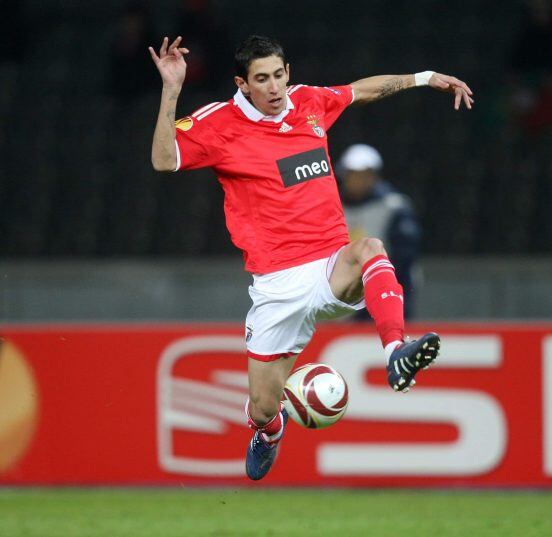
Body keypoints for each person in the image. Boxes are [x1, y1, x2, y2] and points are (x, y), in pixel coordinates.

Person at [148, 34, 473, 480]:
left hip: (328, 265)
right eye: (262, 79)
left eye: (279, 75)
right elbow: (165, 161)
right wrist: (171, 88)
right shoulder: (219, 124)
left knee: (371, 249)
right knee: (263, 405)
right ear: (242, 83)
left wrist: (424, 78)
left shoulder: (308, 103)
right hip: (276, 284)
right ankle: (269, 430)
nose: (275, 87)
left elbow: (363, 89)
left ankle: (396, 350)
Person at [338, 144, 420, 319]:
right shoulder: (334, 205)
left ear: (374, 176)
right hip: (345, 293)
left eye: (364, 175)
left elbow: (404, 256)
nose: (357, 180)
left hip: (387, 287)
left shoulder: (393, 206)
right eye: (352, 174)